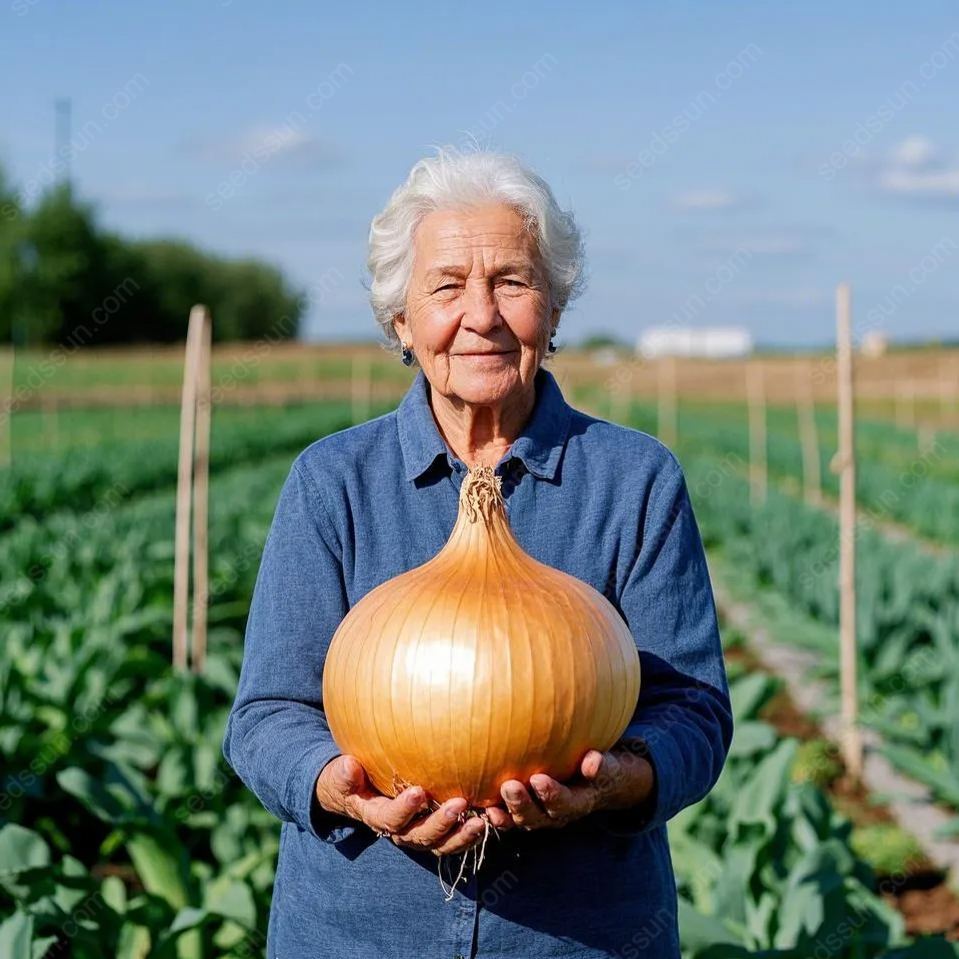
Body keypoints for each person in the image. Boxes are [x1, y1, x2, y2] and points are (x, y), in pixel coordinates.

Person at [222, 148, 733, 958]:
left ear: (554, 309)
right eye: (446, 285)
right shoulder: (332, 482)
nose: (482, 315)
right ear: (400, 320)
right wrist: (345, 790)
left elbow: (695, 713)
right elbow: (264, 716)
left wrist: (616, 782)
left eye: (513, 282)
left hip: (583, 935)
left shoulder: (634, 479)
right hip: (360, 931)